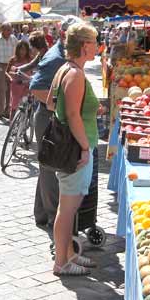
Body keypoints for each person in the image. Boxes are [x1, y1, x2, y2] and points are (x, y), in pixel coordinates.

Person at [50, 22, 100, 276]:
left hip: (69, 147)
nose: (98, 46)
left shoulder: (65, 69)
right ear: (84, 45)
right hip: (76, 149)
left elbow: (51, 103)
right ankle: (61, 262)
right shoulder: (76, 74)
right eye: (95, 42)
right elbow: (72, 114)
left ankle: (68, 254)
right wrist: (84, 147)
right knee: (68, 209)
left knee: (67, 207)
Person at [29, 18, 75, 227]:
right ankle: (52, 216)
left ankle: (42, 213)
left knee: (47, 166)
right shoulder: (55, 58)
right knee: (50, 167)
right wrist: (64, 108)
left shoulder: (63, 55)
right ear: (65, 35)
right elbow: (37, 89)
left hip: (51, 116)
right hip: (48, 118)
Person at [0, 22, 17, 120]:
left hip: (11, 65)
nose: (10, 32)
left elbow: (17, 50)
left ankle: (7, 111)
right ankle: (0, 112)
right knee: (1, 89)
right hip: (0, 65)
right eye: (7, 30)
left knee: (10, 88)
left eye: (10, 30)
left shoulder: (13, 39)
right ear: (2, 30)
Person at [7, 40, 35, 116]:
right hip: (16, 85)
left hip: (27, 84)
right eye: (21, 49)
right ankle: (12, 121)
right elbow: (7, 72)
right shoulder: (13, 59)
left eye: (24, 49)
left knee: (25, 103)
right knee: (14, 105)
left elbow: (33, 71)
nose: (22, 51)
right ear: (17, 49)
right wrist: (12, 77)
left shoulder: (30, 60)